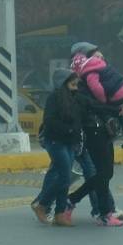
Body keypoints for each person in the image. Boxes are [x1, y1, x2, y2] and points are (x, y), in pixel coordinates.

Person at [30, 70, 83, 227]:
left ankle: (60, 214)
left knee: (65, 178)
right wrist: (68, 130)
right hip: (55, 141)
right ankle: (42, 204)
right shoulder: (54, 98)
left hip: (70, 143)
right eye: (72, 84)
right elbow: (49, 121)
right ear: (63, 83)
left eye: (76, 84)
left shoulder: (75, 99)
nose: (75, 88)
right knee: (64, 176)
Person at [66, 90, 123, 227]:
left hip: (103, 132)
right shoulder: (82, 91)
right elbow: (95, 106)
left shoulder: (94, 87)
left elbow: (102, 105)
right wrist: (117, 109)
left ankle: (72, 200)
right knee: (103, 174)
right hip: (93, 133)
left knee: (106, 173)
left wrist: (120, 108)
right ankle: (104, 214)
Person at [70, 41, 123, 148]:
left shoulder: (88, 73)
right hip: (120, 94)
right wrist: (121, 106)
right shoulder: (101, 66)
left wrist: (105, 103)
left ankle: (114, 128)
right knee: (118, 111)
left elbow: (96, 97)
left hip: (97, 132)